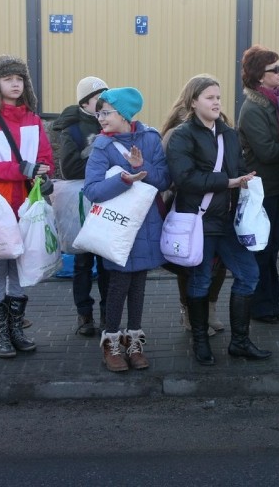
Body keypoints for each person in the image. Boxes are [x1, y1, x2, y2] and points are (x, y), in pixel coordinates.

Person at [165, 74, 272, 366]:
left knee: (249, 274)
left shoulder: (228, 133)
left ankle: (239, 342)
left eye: (218, 97)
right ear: (193, 101)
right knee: (200, 281)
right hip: (198, 221)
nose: (216, 102)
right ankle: (200, 341)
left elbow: (238, 167)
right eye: (210, 97)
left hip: (226, 222)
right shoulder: (182, 136)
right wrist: (229, 182)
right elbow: (184, 179)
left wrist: (246, 180)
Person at [0, 55, 54, 357]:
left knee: (20, 265)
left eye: (19, 78)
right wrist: (23, 169)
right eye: (8, 78)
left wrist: (43, 170)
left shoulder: (33, 118)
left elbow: (45, 157)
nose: (15, 83)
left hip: (28, 202)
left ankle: (16, 330)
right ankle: (0, 335)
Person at [83, 87, 169, 372]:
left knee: (139, 285)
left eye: (106, 112)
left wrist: (142, 165)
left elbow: (164, 180)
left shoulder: (150, 138)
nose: (100, 118)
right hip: (116, 225)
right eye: (98, 113)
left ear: (124, 114)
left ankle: (134, 343)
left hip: (146, 223)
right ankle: (111, 343)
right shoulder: (101, 146)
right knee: (118, 285)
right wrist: (125, 179)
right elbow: (92, 190)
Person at [237, 45, 279, 324]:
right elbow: (267, 151)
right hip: (263, 188)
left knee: (273, 248)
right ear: (260, 76)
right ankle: (261, 307)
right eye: (275, 69)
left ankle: (270, 304)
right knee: (263, 249)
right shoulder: (253, 108)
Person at [159, 100, 227, 338]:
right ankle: (189, 311)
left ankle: (210, 307)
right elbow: (175, 175)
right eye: (210, 96)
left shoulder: (221, 125)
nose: (216, 101)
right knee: (188, 261)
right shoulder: (178, 131)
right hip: (189, 208)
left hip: (219, 206)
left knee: (218, 262)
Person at [51, 76, 110, 336]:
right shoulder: (72, 128)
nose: (104, 103)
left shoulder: (112, 122)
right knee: (83, 262)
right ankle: (84, 315)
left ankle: (110, 312)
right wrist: (101, 167)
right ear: (86, 101)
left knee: (108, 261)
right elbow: (69, 168)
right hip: (82, 202)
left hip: (109, 199)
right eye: (99, 97)